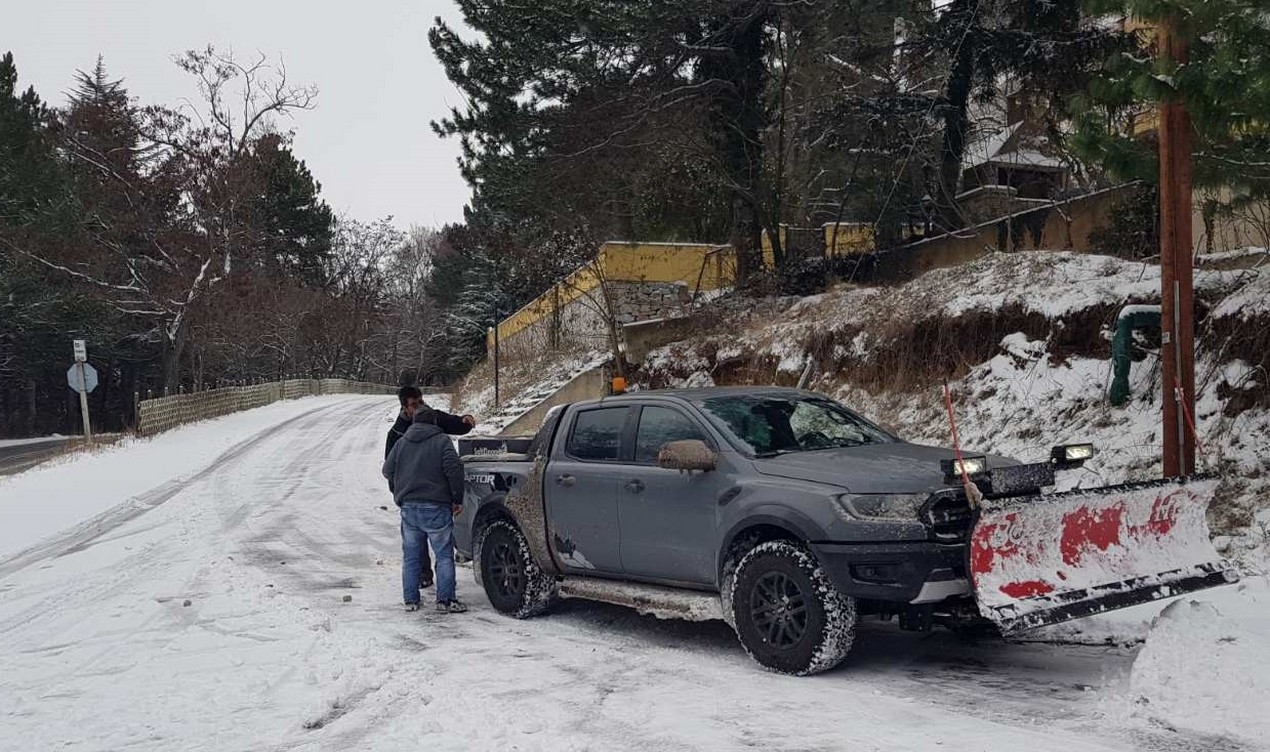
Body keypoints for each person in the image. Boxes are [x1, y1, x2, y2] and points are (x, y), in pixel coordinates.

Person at [385, 386, 475, 589]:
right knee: (428, 548)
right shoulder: (397, 434)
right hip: (416, 497)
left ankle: (413, 595)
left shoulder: (431, 417)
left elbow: (452, 423)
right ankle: (431, 583)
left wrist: (464, 422)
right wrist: (399, 493)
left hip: (431, 497)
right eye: (414, 404)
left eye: (420, 402)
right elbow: (390, 468)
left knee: (429, 547)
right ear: (404, 407)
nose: (419, 407)